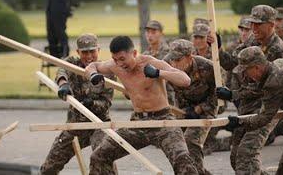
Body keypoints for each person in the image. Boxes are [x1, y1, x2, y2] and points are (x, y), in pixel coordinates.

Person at [86, 36, 198, 175]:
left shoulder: (150, 62)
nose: (119, 63)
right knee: (98, 157)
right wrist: (93, 74)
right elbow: (93, 65)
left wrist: (158, 73)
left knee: (183, 162)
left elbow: (185, 80)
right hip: (138, 123)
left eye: (122, 59)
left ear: (134, 53)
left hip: (162, 121)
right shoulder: (114, 65)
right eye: (115, 59)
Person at [216, 5, 283, 175]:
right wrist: (218, 50)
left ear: (271, 25)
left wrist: (233, 94)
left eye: (258, 24)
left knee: (246, 156)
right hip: (247, 108)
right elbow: (233, 63)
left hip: (266, 110)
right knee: (236, 159)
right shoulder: (252, 41)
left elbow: (266, 89)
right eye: (252, 24)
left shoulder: (279, 50)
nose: (253, 28)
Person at [40, 34, 115, 174]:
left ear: (98, 50)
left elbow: (106, 103)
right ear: (78, 52)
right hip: (76, 124)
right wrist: (63, 84)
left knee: (102, 158)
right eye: (84, 52)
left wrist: (91, 103)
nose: (89, 56)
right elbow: (62, 69)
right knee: (51, 164)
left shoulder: (106, 71)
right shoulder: (72, 63)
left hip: (99, 124)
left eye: (92, 51)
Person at [223, 46, 283, 175]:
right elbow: (258, 89)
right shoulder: (277, 65)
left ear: (257, 67)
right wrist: (232, 95)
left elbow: (264, 118)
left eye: (246, 70)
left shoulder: (275, 82)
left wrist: (239, 122)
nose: (244, 75)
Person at [164, 39, 216, 175]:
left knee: (191, 141)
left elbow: (218, 97)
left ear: (189, 57)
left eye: (178, 60)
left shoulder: (207, 67)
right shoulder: (167, 64)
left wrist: (199, 109)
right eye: (172, 60)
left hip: (205, 110)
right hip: (182, 110)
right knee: (175, 144)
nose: (174, 64)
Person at [143, 20, 175, 105]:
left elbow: (170, 77)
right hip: (149, 98)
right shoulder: (145, 55)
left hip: (167, 98)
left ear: (161, 33)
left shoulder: (169, 53)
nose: (150, 35)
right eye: (148, 32)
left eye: (153, 32)